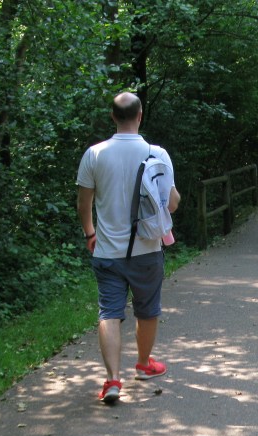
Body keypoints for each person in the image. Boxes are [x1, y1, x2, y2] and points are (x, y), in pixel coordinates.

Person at [77, 92, 181, 404]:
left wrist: (90, 233)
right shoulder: (157, 154)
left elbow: (84, 203)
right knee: (147, 310)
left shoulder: (94, 154)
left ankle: (112, 380)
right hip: (147, 250)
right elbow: (172, 204)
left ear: (112, 116)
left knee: (109, 312)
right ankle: (144, 365)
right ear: (140, 115)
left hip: (107, 251)